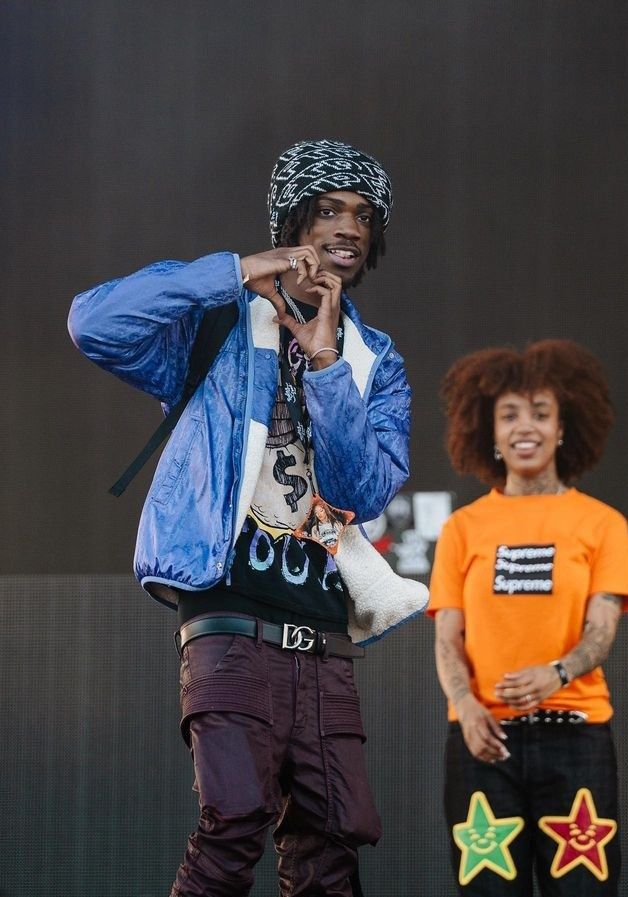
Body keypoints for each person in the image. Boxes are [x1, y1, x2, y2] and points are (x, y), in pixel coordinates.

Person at [68, 139, 426, 897]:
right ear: (293, 219)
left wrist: (327, 367)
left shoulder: (374, 359)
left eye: (364, 216)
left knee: (334, 842)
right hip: (229, 624)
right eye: (329, 209)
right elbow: (93, 323)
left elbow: (361, 490)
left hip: (323, 636)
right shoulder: (217, 325)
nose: (349, 228)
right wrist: (233, 270)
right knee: (233, 823)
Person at [428, 340, 628, 897]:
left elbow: (602, 628)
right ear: (490, 433)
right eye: (510, 415)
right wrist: (466, 708)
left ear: (564, 429)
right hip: (482, 745)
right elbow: (448, 636)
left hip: (578, 741)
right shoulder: (463, 529)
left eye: (542, 414)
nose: (527, 427)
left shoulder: (602, 524)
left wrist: (558, 673)